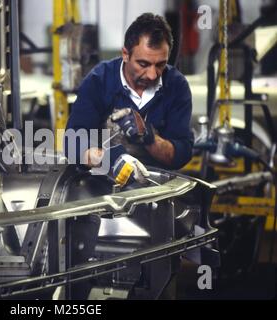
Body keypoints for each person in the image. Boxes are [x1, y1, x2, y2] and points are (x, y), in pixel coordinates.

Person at [63, 12, 194, 299]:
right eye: (143, 63)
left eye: (160, 64)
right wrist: (108, 159)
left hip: (157, 206)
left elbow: (180, 153)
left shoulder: (176, 87)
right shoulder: (99, 80)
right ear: (125, 53)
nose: (151, 74)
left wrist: (148, 138)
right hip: (102, 206)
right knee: (100, 283)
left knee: (157, 283)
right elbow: (72, 143)